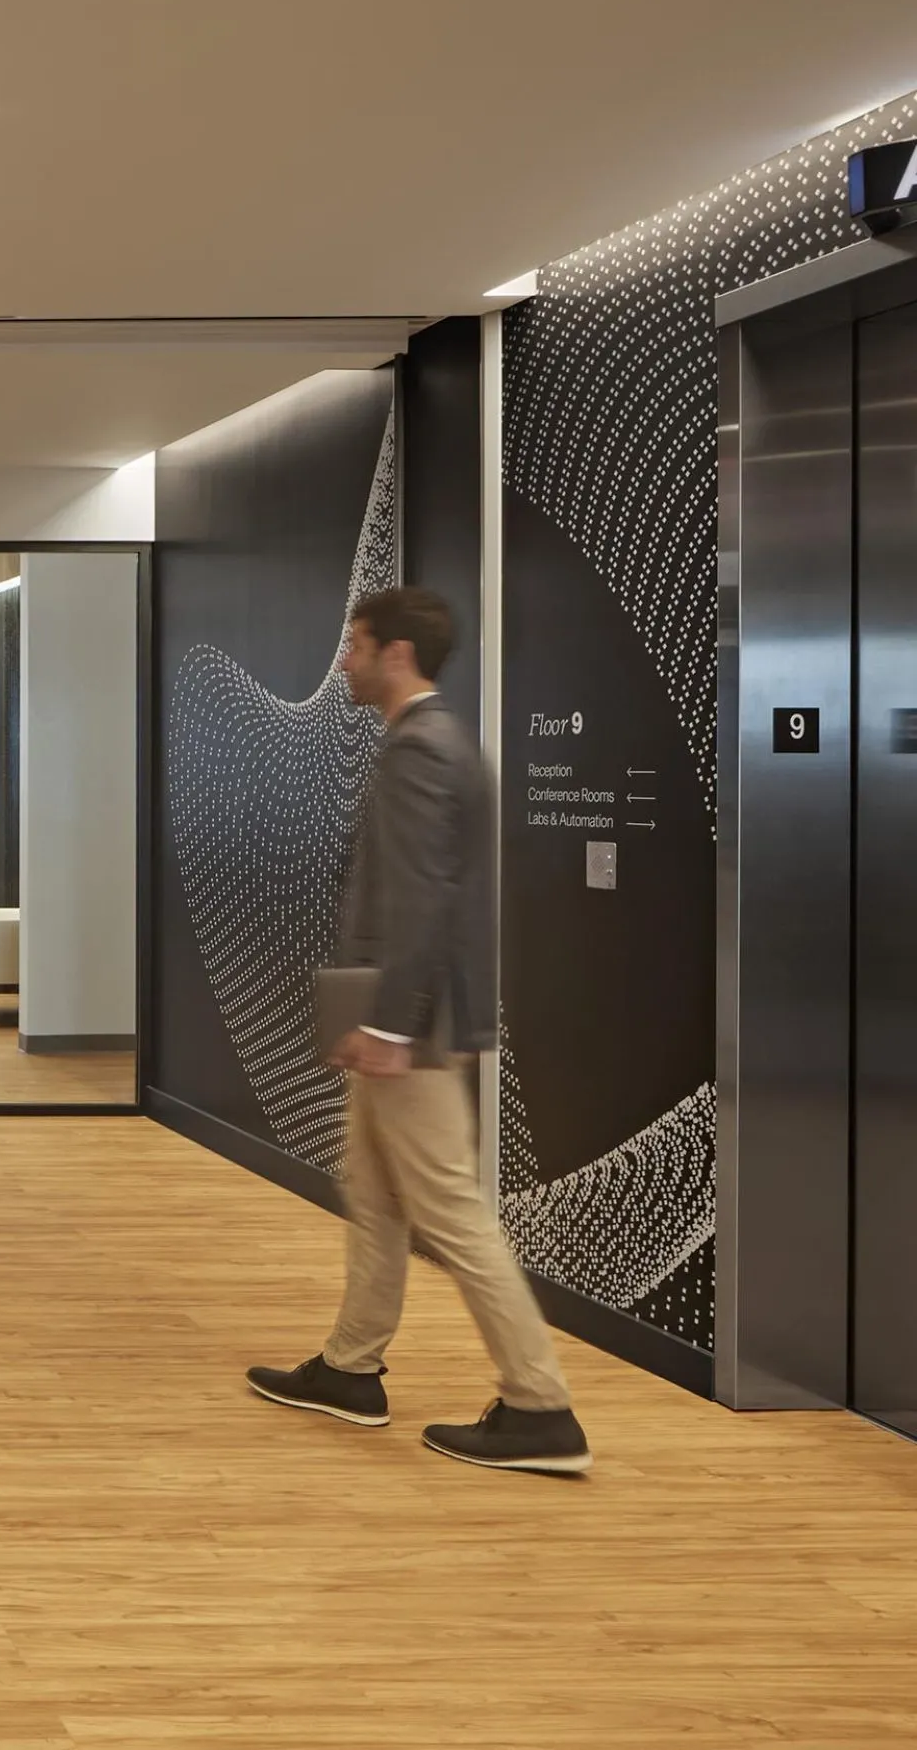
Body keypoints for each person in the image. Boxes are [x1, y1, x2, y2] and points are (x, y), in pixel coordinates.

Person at [246, 586, 590, 1474]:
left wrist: (391, 1026)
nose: (345, 662)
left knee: (450, 1215)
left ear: (396, 652)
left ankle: (540, 1404)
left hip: (415, 1032)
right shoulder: (432, 743)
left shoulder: (422, 750)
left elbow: (423, 900)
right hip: (404, 1025)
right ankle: (352, 1367)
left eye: (355, 645)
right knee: (374, 1194)